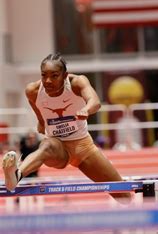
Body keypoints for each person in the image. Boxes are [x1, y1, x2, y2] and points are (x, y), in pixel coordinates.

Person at [1, 53, 130, 202]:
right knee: (47, 145)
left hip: (84, 147)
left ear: (65, 75)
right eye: (44, 75)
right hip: (58, 147)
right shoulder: (33, 91)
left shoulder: (77, 83)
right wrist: (42, 124)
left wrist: (86, 110)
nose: (48, 81)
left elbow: (95, 101)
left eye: (54, 76)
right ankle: (16, 176)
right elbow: (40, 114)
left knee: (124, 195)